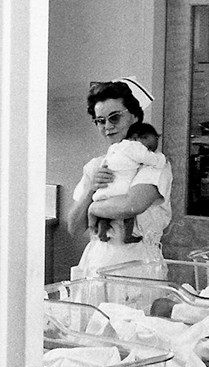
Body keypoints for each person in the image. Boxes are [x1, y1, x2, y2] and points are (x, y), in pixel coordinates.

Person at [65, 77, 172, 300]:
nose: (107, 126)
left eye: (115, 117)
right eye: (100, 120)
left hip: (137, 266)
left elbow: (132, 205)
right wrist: (91, 191)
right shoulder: (96, 166)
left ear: (134, 116)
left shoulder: (153, 162)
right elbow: (74, 226)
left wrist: (93, 208)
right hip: (96, 262)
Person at [92, 122, 165, 244]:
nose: (151, 149)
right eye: (150, 145)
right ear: (137, 138)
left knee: (105, 215)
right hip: (121, 188)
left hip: (106, 189)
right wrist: (160, 160)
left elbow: (106, 162)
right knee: (129, 216)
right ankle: (128, 236)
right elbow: (147, 158)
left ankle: (102, 230)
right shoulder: (136, 147)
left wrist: (92, 208)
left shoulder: (116, 147)